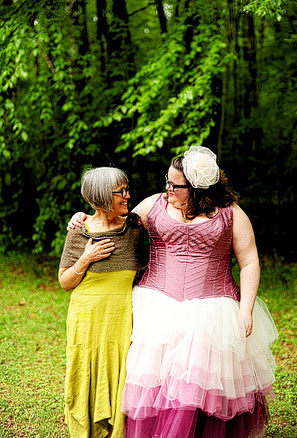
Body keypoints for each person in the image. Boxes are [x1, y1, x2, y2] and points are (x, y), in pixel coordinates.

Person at [69, 146, 278, 437]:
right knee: (159, 383)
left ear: (195, 188)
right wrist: (80, 218)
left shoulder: (231, 214)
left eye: (174, 185)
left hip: (213, 310)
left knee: (201, 385)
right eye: (166, 181)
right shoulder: (153, 205)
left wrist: (245, 310)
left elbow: (250, 261)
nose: (167, 188)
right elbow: (112, 220)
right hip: (157, 305)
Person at [58, 167, 147, 438]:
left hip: (122, 315)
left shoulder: (135, 229)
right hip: (86, 316)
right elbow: (64, 282)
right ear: (100, 197)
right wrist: (86, 258)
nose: (127, 195)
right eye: (120, 192)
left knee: (122, 371)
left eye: (127, 189)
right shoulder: (79, 231)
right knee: (85, 368)